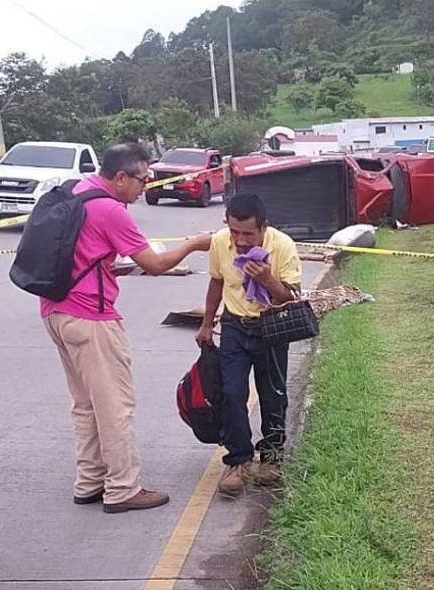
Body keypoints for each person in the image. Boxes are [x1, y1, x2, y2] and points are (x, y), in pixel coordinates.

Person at [42, 142, 214, 513]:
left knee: (86, 404)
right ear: (120, 177)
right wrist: (194, 244)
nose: (146, 186)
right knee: (115, 405)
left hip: (55, 311)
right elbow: (154, 264)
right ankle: (122, 488)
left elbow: (85, 254)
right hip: (91, 318)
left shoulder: (78, 190)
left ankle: (89, 481)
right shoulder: (109, 210)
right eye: (141, 178)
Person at [196, 194, 303, 496]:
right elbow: (217, 282)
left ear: (263, 228)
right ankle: (238, 460)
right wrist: (206, 323)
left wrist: (268, 280)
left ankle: (270, 457)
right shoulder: (219, 243)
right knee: (230, 393)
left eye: (248, 234)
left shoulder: (282, 246)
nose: (240, 240)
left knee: (273, 395)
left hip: (271, 326)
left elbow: (292, 298)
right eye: (234, 232)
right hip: (234, 326)